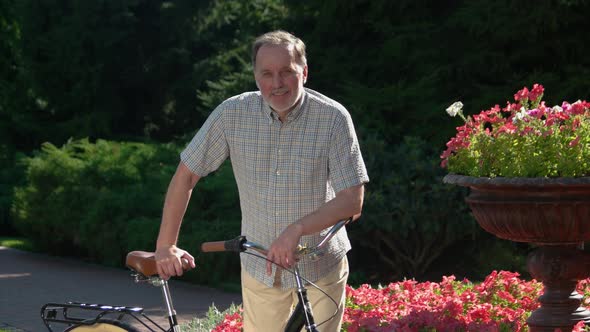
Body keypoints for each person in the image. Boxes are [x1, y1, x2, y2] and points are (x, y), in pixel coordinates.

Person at [154, 30, 369, 331]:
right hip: (261, 269)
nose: (277, 83)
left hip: (321, 266)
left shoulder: (333, 118)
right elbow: (186, 174)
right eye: (267, 74)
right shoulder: (232, 114)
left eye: (286, 72)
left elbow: (352, 199)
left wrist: (297, 229)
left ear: (304, 72)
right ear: (256, 77)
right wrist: (166, 245)